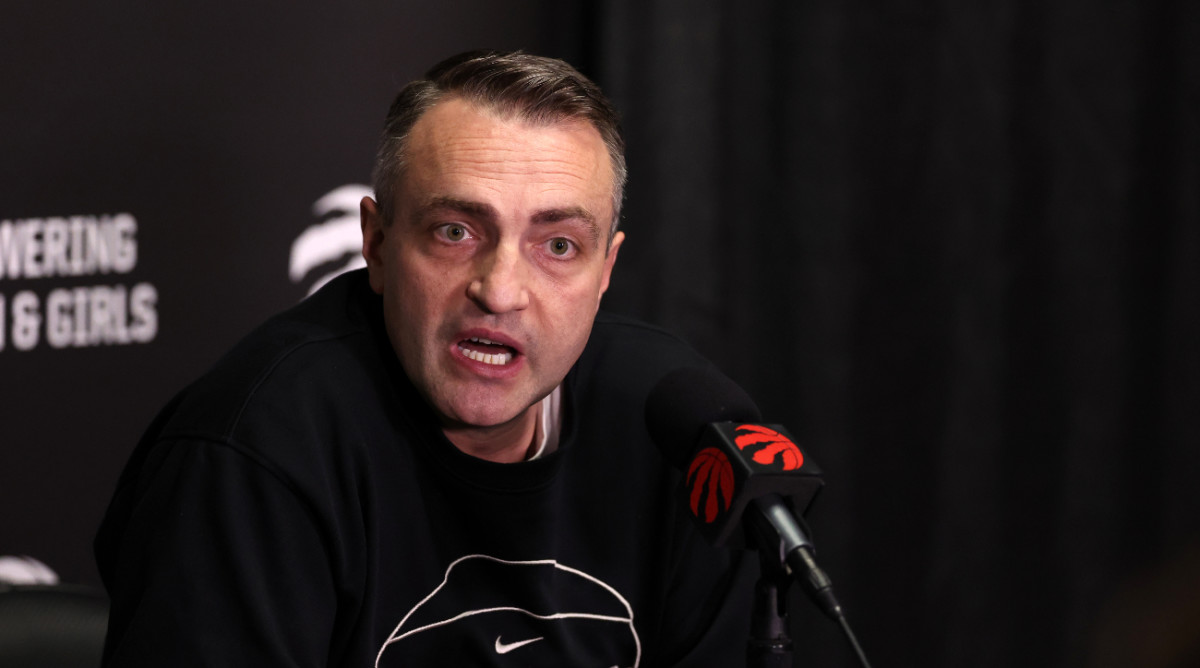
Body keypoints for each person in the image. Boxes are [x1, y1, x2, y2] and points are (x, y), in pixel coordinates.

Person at [95, 50, 756, 667]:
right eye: (455, 232)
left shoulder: (677, 428)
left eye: (557, 246)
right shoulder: (254, 451)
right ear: (377, 246)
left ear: (605, 269)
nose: (499, 291)